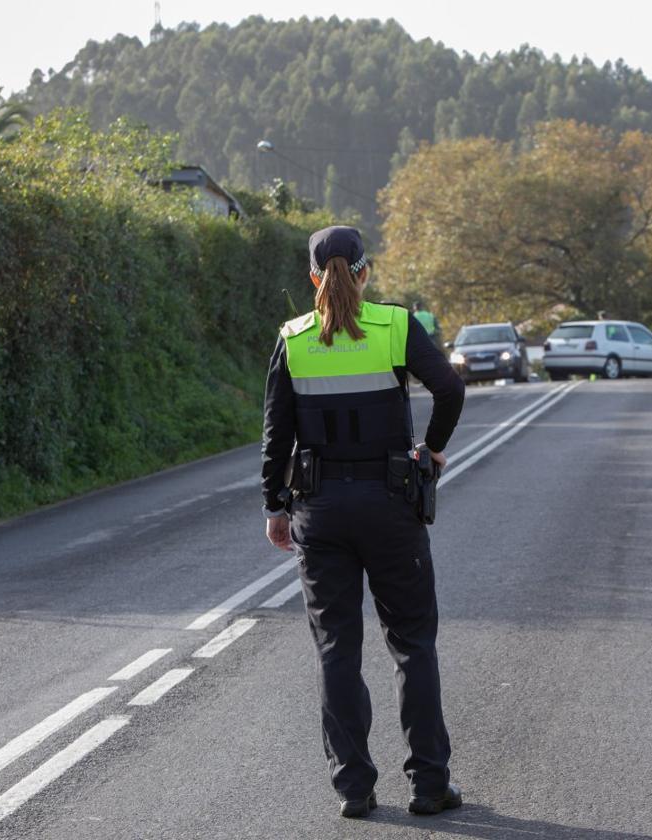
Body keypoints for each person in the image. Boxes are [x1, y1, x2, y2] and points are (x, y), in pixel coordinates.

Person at [261, 226, 466, 819]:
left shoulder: (293, 339)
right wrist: (430, 449)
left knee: (336, 649)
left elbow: (276, 436)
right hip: (391, 505)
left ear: (312, 278)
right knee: (412, 644)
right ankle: (429, 785)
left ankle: (354, 788)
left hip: (319, 511)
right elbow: (449, 389)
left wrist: (276, 506)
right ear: (365, 272)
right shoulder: (397, 326)